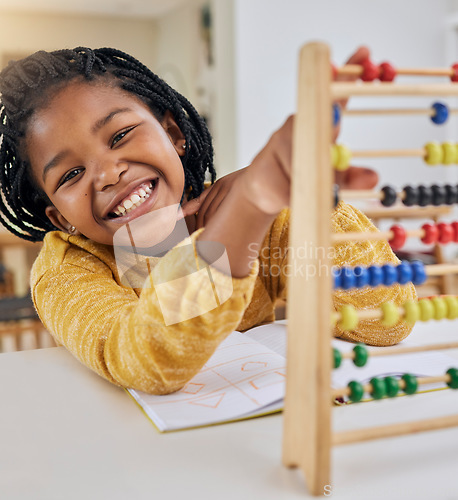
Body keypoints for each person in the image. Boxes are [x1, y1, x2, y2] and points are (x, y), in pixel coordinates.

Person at [0, 47, 415, 395]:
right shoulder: (66, 273)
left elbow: (388, 319)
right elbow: (146, 360)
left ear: (174, 133)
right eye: (71, 175)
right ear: (59, 217)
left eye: (120, 135)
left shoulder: (260, 216)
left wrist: (308, 204)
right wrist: (245, 215)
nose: (108, 174)